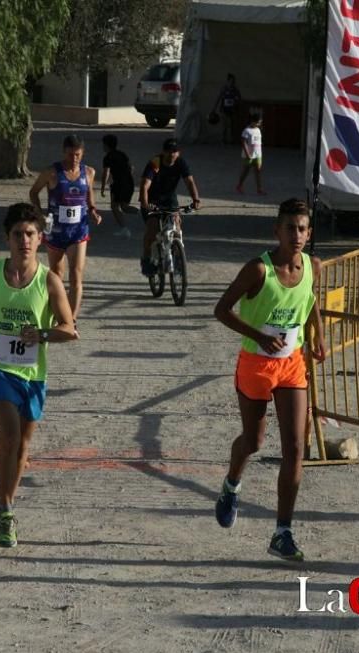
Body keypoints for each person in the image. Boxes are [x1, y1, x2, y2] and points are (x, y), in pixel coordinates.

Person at [0, 202, 79, 548]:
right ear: (7, 239)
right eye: (17, 234)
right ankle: (8, 513)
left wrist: (40, 335)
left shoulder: (49, 281)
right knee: (9, 437)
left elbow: (69, 329)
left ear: (40, 239)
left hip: (32, 374)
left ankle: (3, 502)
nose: (24, 240)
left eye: (30, 234)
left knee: (23, 446)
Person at [213, 198, 326, 562]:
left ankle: (282, 532)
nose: (297, 235)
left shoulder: (312, 265)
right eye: (290, 227)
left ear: (309, 234)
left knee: (295, 447)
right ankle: (232, 484)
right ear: (277, 231)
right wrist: (259, 336)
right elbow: (221, 310)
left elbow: (310, 300)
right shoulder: (258, 270)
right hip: (256, 363)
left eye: (303, 228)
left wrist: (318, 331)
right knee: (254, 440)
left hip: (291, 364)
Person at [29, 134, 102, 322]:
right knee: (57, 274)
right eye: (70, 155)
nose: (74, 159)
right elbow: (34, 192)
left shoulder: (89, 173)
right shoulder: (51, 172)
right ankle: (57, 313)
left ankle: (71, 320)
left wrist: (93, 210)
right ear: (64, 152)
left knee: (76, 274)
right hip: (56, 230)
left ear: (83, 153)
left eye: (77, 155)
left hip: (79, 230)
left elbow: (89, 195)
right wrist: (39, 215)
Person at [138, 138, 201, 276]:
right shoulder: (155, 162)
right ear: (163, 152)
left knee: (177, 228)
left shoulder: (180, 163)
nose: (171, 154)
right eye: (168, 151)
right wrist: (145, 203)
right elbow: (145, 185)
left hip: (170, 200)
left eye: (174, 151)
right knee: (152, 230)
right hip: (152, 200)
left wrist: (195, 199)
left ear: (178, 152)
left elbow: (189, 181)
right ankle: (146, 259)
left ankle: (178, 258)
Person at [99, 134, 135, 239]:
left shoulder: (108, 157)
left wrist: (102, 188)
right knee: (124, 206)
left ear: (106, 145)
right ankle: (142, 214)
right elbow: (131, 167)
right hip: (128, 182)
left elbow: (106, 173)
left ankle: (124, 229)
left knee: (114, 206)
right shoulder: (122, 154)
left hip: (118, 184)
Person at [235, 111, 265, 195]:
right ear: (253, 121)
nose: (260, 123)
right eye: (259, 121)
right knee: (246, 171)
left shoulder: (258, 130)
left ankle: (259, 189)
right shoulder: (246, 131)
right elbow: (243, 142)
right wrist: (247, 153)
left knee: (258, 171)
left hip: (258, 154)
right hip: (249, 155)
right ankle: (239, 185)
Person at [213, 73, 242, 144]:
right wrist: (214, 108)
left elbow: (239, 99)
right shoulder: (224, 89)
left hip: (232, 110)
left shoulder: (235, 90)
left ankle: (232, 140)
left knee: (232, 125)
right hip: (224, 110)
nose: (232, 83)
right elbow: (219, 98)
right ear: (228, 81)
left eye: (233, 81)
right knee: (224, 125)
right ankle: (223, 140)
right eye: (231, 81)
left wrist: (237, 106)